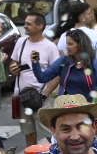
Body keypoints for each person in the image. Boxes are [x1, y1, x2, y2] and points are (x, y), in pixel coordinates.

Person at [10, 11, 61, 145]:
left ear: (40, 26)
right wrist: (13, 68)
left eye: (28, 24)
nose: (25, 26)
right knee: (28, 134)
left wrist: (44, 95)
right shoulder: (21, 42)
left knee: (49, 135)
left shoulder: (50, 47)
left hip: (42, 98)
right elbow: (14, 62)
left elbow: (57, 75)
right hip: (23, 97)